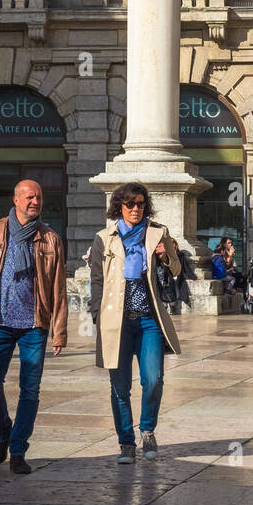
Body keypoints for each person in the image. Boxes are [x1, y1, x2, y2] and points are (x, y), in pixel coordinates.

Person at [0, 179, 67, 476]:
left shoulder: (50, 239)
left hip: (35, 324)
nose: (35, 202)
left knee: (30, 390)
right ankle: (3, 431)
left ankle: (19, 449)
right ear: (16, 199)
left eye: (39, 197)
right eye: (30, 197)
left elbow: (59, 288)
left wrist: (59, 331)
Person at [88, 182, 182, 464]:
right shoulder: (104, 237)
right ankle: (126, 442)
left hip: (149, 320)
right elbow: (96, 281)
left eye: (140, 204)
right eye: (130, 204)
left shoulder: (157, 233)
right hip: (116, 322)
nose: (135, 209)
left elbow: (177, 270)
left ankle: (148, 430)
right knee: (119, 386)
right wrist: (97, 316)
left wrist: (166, 255)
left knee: (153, 379)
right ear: (120, 206)